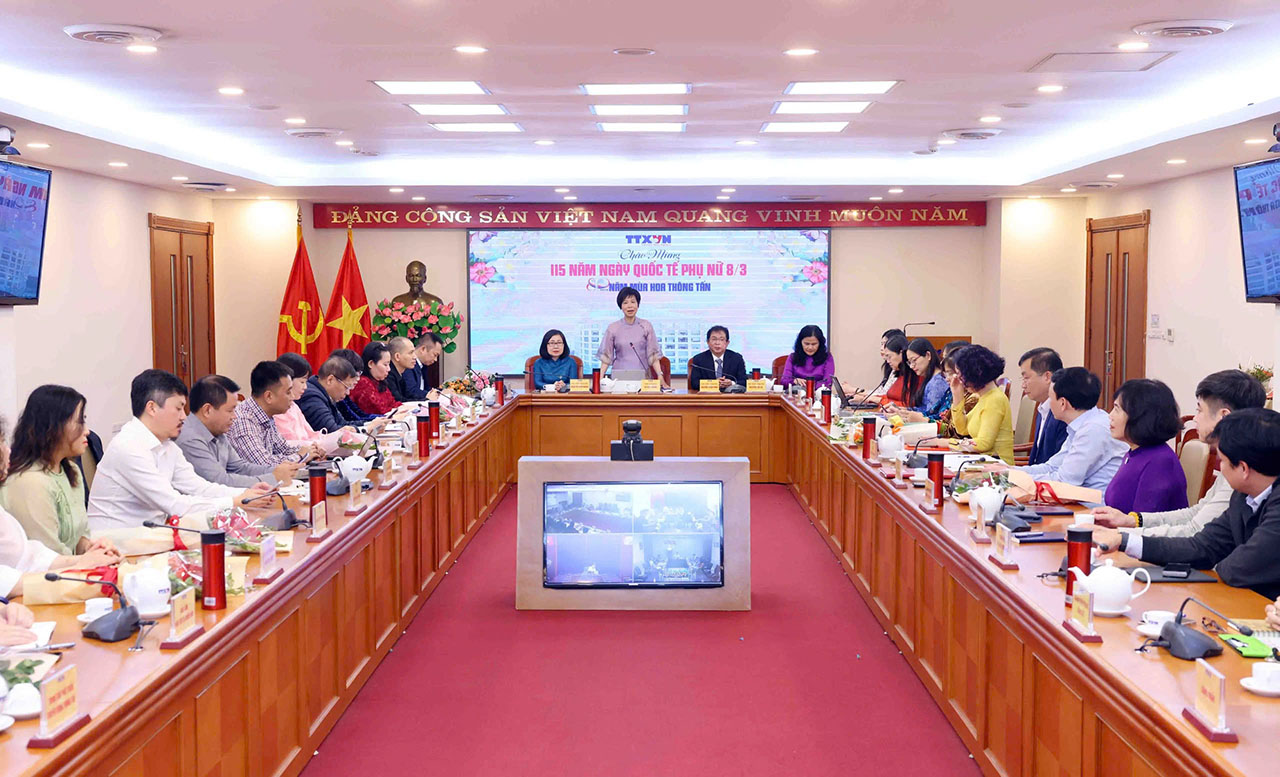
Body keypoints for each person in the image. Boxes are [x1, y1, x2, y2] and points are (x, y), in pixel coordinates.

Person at [1094, 409, 1280, 600]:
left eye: (1222, 461)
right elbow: (1202, 546)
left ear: (1243, 469)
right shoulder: (1243, 496)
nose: (1221, 469)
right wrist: (1125, 541)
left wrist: (1219, 561)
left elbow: (1239, 568)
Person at [88, 369, 271, 529]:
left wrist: (245, 493)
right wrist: (234, 501)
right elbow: (174, 504)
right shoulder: (128, 447)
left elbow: (198, 487)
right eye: (178, 408)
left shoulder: (167, 445)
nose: (184, 417)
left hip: (149, 535)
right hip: (116, 540)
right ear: (152, 408)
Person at [1093, 369, 1266, 536]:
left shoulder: (1243, 469)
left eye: (1199, 410)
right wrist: (1132, 521)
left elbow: (1195, 531)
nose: (1195, 418)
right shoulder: (1233, 461)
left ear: (1224, 416)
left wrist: (1121, 535)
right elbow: (1196, 513)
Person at [0, 414, 121, 601]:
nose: (7, 449)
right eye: (2, 442)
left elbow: (29, 557)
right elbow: (8, 580)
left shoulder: (71, 471)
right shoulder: (30, 481)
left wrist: (88, 555)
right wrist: (78, 568)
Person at [1, 385, 94, 555]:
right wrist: (91, 559)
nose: (87, 431)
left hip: (70, 566)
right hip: (46, 570)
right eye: (80, 422)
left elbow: (78, 538)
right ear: (54, 427)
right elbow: (49, 556)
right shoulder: (29, 482)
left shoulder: (71, 471)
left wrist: (92, 548)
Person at [178, 375, 300, 488]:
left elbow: (240, 467)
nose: (235, 416)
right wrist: (273, 478)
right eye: (230, 410)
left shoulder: (217, 431)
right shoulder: (189, 438)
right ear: (207, 410)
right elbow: (219, 481)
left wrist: (276, 471)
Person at [1016, 367, 1126, 489]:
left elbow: (1065, 482)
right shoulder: (1081, 424)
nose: (1049, 403)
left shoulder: (1093, 430)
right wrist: (1009, 471)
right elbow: (1052, 467)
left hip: (1091, 499)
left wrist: (1014, 478)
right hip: (1077, 495)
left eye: (1050, 398)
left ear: (1063, 403)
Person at [1102, 379, 1187, 513]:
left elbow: (1145, 519)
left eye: (1117, 409)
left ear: (1140, 416)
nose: (1110, 416)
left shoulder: (1159, 462)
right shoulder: (1134, 452)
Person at [228, 360, 317, 468]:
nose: (292, 397)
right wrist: (301, 456)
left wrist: (310, 450)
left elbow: (283, 449)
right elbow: (264, 465)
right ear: (269, 396)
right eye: (288, 392)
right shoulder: (244, 421)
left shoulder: (266, 415)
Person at [275, 353, 354, 455]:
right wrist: (315, 444)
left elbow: (312, 435)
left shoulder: (294, 406)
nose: (305, 387)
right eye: (302, 382)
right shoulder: (276, 410)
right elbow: (288, 444)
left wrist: (338, 434)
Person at [948, 345, 1015, 463]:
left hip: (997, 467)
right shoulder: (983, 397)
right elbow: (962, 429)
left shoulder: (995, 399)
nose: (959, 379)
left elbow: (984, 444)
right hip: (982, 462)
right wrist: (957, 396)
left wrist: (948, 443)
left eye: (960, 374)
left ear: (974, 373)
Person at [596, 286, 667, 387]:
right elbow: (606, 358)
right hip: (618, 379)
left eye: (633, 302)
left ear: (638, 305)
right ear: (620, 306)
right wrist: (599, 380)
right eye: (625, 303)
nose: (630, 306)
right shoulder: (613, 328)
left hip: (643, 378)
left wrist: (660, 376)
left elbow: (653, 355)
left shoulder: (646, 326)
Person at [299, 355, 387, 436]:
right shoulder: (311, 397)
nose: (348, 393)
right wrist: (367, 429)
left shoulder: (325, 393)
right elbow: (333, 433)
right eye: (346, 387)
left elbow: (343, 424)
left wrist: (370, 424)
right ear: (330, 380)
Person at [1018, 348, 1068, 466]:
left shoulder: (1064, 412)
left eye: (1026, 378)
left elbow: (1057, 466)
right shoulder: (1043, 408)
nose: (1023, 385)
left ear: (1047, 377)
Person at [898, 338, 949, 422]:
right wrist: (902, 411)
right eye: (909, 362)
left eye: (914, 360)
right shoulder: (931, 378)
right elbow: (925, 410)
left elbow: (932, 416)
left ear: (928, 355)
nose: (911, 366)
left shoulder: (937, 383)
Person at [329, 348, 380, 425]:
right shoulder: (337, 394)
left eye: (360, 373)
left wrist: (384, 418)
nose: (358, 378)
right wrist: (372, 423)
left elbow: (360, 414)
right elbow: (351, 419)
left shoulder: (343, 393)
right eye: (355, 374)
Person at [689, 326, 747, 393]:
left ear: (727, 343)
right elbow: (694, 383)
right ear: (708, 342)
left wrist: (731, 383)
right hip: (707, 397)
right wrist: (714, 384)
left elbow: (744, 381)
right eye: (714, 339)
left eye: (721, 339)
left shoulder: (736, 358)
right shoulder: (699, 359)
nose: (717, 343)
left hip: (730, 397)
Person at [350, 341, 400, 415]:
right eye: (385, 365)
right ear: (371, 364)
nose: (389, 369)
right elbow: (380, 411)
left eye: (389, 364)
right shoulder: (363, 383)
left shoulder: (379, 382)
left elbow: (393, 404)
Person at [781, 325, 834, 390]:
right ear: (800, 343)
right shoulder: (793, 357)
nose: (810, 347)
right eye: (806, 344)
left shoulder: (827, 357)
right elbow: (784, 381)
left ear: (820, 344)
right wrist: (794, 381)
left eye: (814, 344)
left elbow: (828, 383)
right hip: (797, 393)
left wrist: (809, 385)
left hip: (817, 393)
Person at [403, 332, 444, 400]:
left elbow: (426, 388)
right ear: (423, 349)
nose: (436, 359)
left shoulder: (423, 365)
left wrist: (441, 392)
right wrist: (430, 395)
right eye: (435, 355)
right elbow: (411, 391)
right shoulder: (409, 364)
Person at [878, 333, 917, 405]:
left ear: (901, 353)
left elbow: (908, 404)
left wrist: (877, 400)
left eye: (889, 357)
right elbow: (889, 397)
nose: (888, 361)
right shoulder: (898, 372)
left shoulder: (913, 374)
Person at [384, 337, 419, 402]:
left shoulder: (400, 373)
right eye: (411, 353)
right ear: (397, 356)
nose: (415, 357)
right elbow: (399, 401)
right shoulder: (388, 375)